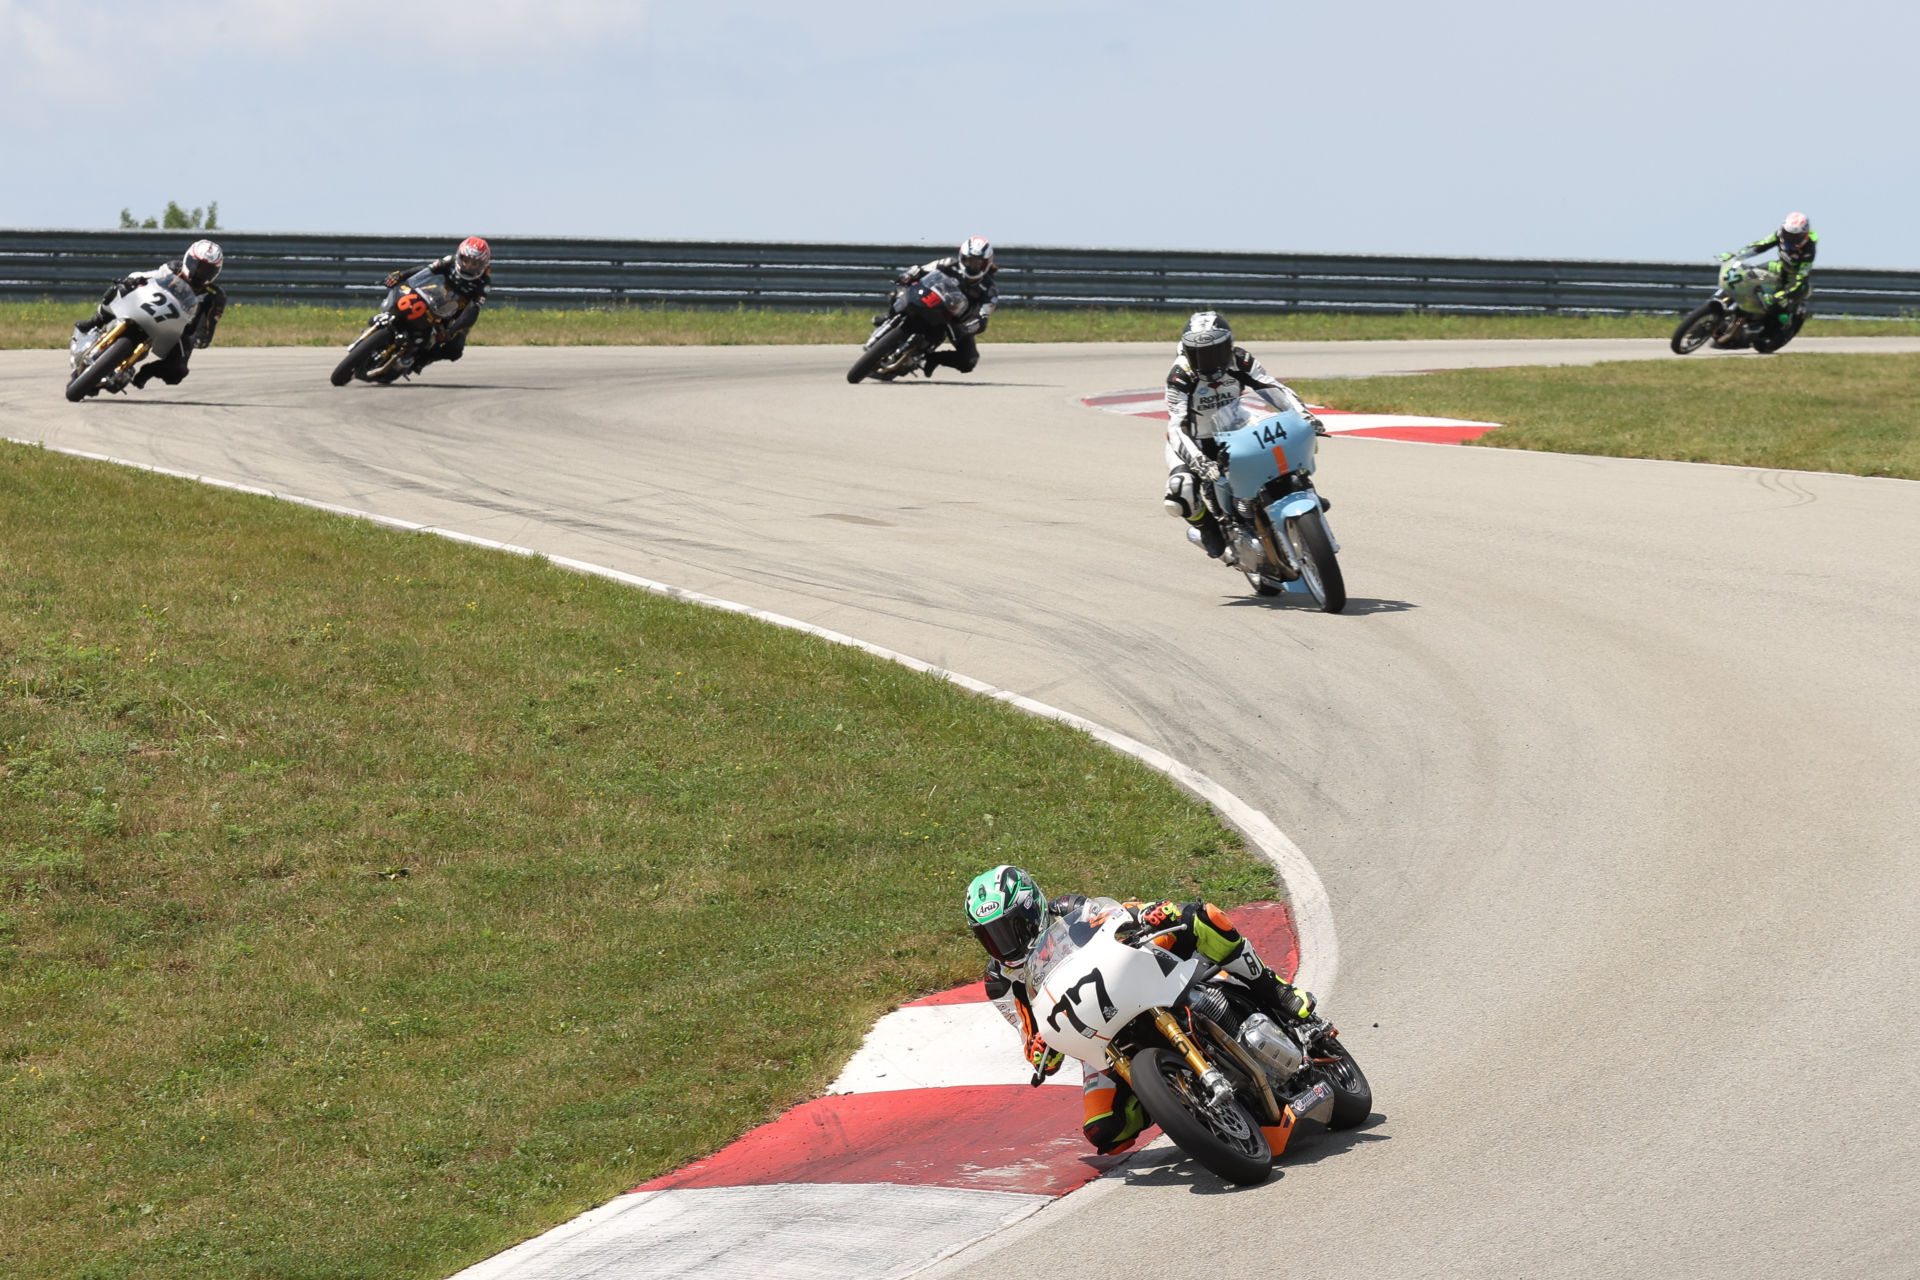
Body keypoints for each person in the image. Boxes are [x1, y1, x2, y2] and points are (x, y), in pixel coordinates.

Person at [965, 864, 1317, 1157]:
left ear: (1031, 911)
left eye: (1008, 929)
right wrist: (1039, 1049)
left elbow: (1118, 916)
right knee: (1106, 1130)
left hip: (1135, 980)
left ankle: (1277, 991)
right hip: (1096, 1034)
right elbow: (1028, 1033)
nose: (1002, 944)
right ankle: (1181, 1099)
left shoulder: (1069, 909)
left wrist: (1146, 912)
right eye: (989, 936)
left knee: (1201, 917)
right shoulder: (999, 980)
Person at [1161, 311, 1324, 558]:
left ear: (1228, 346)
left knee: (1281, 441)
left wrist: (1304, 414)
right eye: (1198, 354)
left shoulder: (1240, 360)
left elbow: (1271, 387)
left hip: (1234, 427)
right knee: (1179, 490)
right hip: (1194, 441)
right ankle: (1208, 528)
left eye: (1215, 352)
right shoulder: (1180, 375)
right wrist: (1199, 462)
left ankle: (1301, 488)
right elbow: (1176, 426)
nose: (1208, 361)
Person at [78, 239, 227, 390]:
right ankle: (95, 320)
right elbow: (150, 276)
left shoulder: (214, 295)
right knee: (122, 288)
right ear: (188, 259)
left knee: (178, 371)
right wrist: (133, 280)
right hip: (151, 306)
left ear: (216, 272)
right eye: (198, 266)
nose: (200, 272)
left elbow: (208, 326)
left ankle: (147, 372)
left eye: (207, 270)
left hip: (179, 328)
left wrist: (200, 338)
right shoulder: (174, 267)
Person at [380, 236, 492, 372]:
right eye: (466, 260)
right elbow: (426, 270)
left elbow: (473, 310)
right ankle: (383, 322)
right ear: (459, 256)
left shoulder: (484, 283)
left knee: (455, 349)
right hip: (434, 294)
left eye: (475, 264)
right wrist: (400, 276)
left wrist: (451, 331)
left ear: (484, 264)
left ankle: (420, 360)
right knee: (405, 302)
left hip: (456, 315)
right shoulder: (449, 261)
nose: (469, 266)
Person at [891, 236, 997, 377]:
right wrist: (910, 274)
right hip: (931, 301)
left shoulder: (989, 289)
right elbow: (922, 269)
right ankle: (889, 317)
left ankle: (932, 358)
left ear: (986, 263)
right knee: (897, 293)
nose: (972, 265)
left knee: (969, 360)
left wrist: (969, 326)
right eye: (969, 260)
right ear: (961, 257)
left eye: (978, 263)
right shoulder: (948, 263)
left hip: (956, 322)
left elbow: (983, 316)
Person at [1725, 212, 1817, 330]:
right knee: (1747, 274)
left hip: (1794, 278)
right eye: (1787, 234)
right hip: (1780, 267)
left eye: (1795, 237)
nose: (1790, 239)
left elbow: (1800, 277)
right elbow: (1760, 245)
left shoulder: (1809, 250)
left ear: (1805, 235)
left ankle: (1774, 327)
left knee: (1778, 307)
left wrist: (1779, 296)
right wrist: (1736, 256)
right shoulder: (1779, 234)